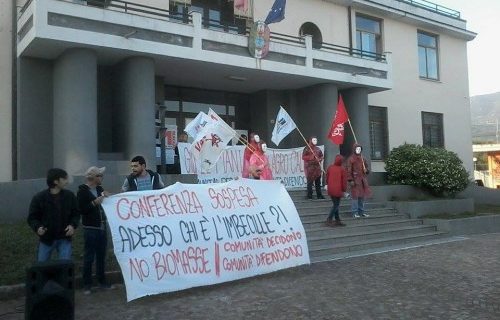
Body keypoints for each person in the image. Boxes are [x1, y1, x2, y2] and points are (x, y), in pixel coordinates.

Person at [27, 168, 79, 261]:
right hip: (46, 239)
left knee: (65, 267)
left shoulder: (70, 196)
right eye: (64, 179)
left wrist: (72, 225)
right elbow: (32, 217)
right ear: (56, 181)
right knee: (42, 267)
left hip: (64, 238)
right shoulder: (39, 198)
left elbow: (76, 214)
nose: (67, 182)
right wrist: (38, 227)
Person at [77, 166, 114, 295]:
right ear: (93, 177)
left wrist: (108, 196)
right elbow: (81, 209)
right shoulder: (82, 191)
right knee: (89, 257)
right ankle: (87, 285)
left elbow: (105, 200)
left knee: (101, 256)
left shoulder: (99, 189)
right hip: (90, 228)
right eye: (100, 175)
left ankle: (102, 282)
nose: (102, 178)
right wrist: (94, 203)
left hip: (102, 227)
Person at [347, 143, 372, 218]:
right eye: (357, 149)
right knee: (355, 196)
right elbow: (348, 170)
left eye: (360, 149)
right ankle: (354, 212)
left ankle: (361, 212)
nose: (358, 150)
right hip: (355, 180)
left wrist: (366, 170)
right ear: (354, 149)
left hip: (362, 180)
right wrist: (350, 180)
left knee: (362, 196)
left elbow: (367, 168)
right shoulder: (351, 159)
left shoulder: (363, 158)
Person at [325, 155, 347, 227]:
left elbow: (327, 178)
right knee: (336, 205)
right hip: (338, 190)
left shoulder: (330, 167)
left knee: (335, 204)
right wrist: (344, 190)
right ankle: (329, 219)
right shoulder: (342, 169)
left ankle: (337, 220)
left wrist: (327, 184)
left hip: (331, 189)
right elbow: (344, 181)